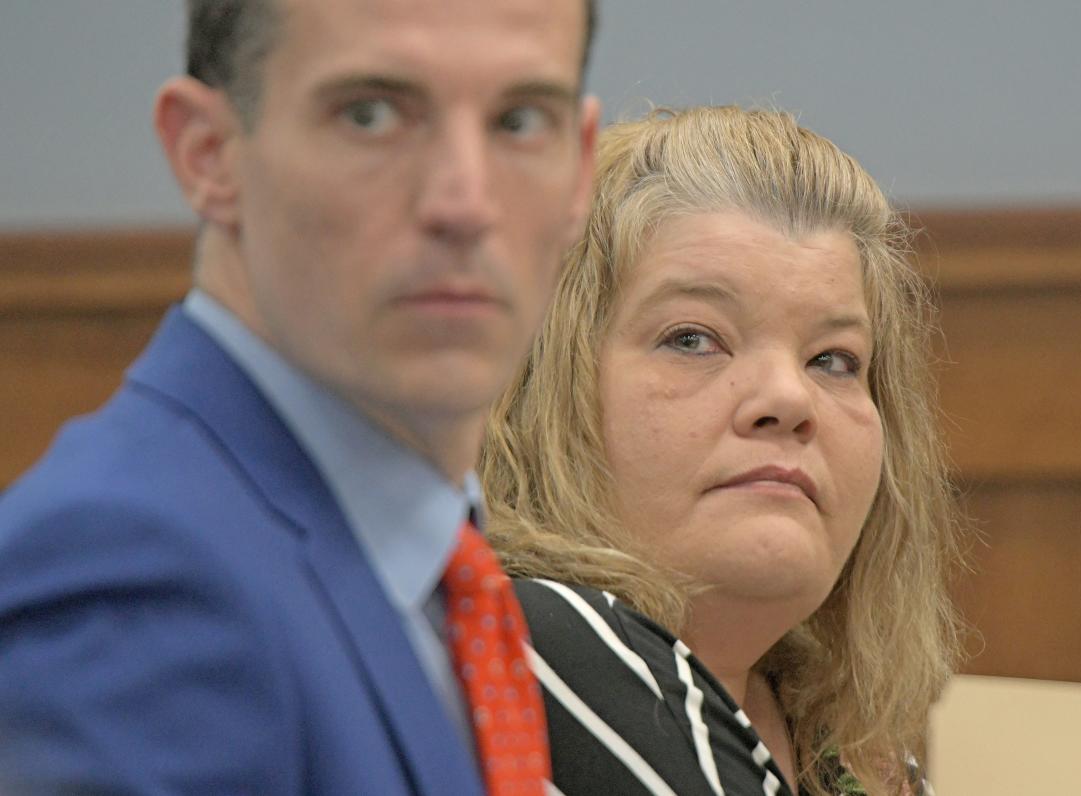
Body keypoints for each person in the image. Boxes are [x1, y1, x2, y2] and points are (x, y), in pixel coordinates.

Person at [0, 0, 598, 793]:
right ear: (207, 154)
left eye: (520, 121)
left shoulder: (438, 566)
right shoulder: (131, 570)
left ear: (582, 168)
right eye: (372, 114)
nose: (464, 204)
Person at [481, 106, 961, 795]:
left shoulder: (840, 741)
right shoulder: (539, 641)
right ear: (546, 389)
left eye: (833, 359)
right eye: (692, 339)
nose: (788, 399)